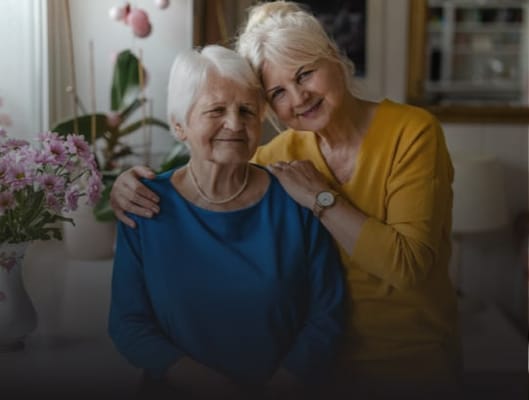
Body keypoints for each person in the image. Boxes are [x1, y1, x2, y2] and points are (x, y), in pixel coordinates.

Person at [110, 1, 460, 397]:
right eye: (278, 91)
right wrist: (124, 186)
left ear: (334, 58)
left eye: (305, 73)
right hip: (322, 371)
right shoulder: (277, 158)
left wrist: (322, 199)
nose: (298, 97)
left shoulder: (411, 133)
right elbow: (218, 170)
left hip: (405, 362)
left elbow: (407, 266)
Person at [108, 44, 345, 400]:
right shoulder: (145, 203)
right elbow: (128, 324)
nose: (235, 124)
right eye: (216, 110)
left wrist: (281, 385)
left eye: (247, 111)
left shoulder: (295, 198)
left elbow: (329, 313)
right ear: (179, 125)